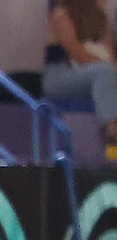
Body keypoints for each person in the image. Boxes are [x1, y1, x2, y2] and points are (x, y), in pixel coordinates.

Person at [44, 0, 117, 159]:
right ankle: (113, 135)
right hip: (60, 77)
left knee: (106, 74)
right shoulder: (61, 14)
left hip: (93, 77)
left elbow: (110, 56)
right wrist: (109, 71)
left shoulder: (100, 18)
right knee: (104, 72)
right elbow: (77, 53)